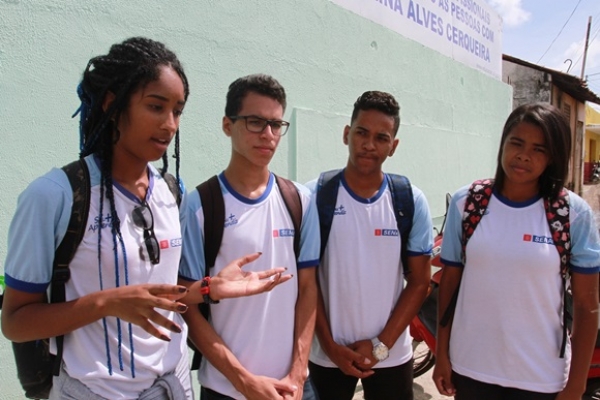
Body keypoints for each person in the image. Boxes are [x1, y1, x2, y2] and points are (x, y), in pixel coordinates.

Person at [1, 37, 291, 400]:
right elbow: (15, 323)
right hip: (95, 391)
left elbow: (159, 296)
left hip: (173, 386)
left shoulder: (171, 191)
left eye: (178, 111)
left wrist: (208, 289)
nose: (170, 124)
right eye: (156, 106)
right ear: (112, 103)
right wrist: (106, 303)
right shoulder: (55, 196)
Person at [433, 103, 600, 400]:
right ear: (503, 143)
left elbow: (587, 307)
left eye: (539, 149)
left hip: (541, 378)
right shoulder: (467, 203)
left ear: (553, 157)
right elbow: (449, 284)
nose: (523, 155)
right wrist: (442, 354)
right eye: (517, 143)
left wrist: (576, 385)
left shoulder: (572, 214)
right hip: (471, 368)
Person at [178, 73, 320, 400]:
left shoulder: (299, 200)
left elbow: (308, 289)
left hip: (294, 387)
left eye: (276, 124)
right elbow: (187, 305)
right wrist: (244, 382)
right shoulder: (200, 206)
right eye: (255, 122)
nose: (268, 135)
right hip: (226, 389)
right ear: (227, 125)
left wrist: (298, 373)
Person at [307, 91, 433, 400]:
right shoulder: (314, 197)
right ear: (346, 134)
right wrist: (330, 346)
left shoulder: (410, 200)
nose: (369, 144)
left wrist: (380, 346)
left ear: (393, 146)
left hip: (391, 355)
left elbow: (420, 282)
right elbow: (305, 281)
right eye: (362, 133)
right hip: (327, 356)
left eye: (381, 138)